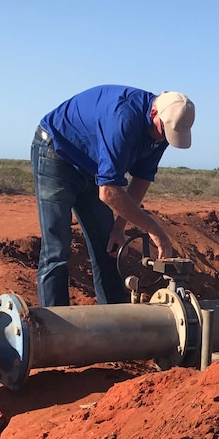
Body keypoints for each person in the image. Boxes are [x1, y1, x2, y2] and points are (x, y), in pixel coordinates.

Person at [30, 85, 195, 307]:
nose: (165, 137)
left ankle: (115, 326)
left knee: (108, 247)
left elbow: (142, 178)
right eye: (164, 131)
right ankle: (55, 330)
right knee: (56, 250)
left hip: (94, 168)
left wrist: (119, 227)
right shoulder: (123, 118)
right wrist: (155, 230)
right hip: (57, 153)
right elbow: (108, 191)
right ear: (154, 113)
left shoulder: (163, 131)